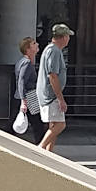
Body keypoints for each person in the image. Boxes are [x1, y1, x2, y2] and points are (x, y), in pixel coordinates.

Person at [37, 24, 74, 152]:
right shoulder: (54, 51)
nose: (69, 39)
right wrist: (60, 98)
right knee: (60, 124)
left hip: (48, 94)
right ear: (63, 37)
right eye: (68, 36)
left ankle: (48, 151)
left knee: (53, 124)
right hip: (51, 95)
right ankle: (41, 147)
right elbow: (52, 75)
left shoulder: (50, 49)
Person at [14, 37, 45, 144]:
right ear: (28, 48)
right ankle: (41, 147)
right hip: (28, 97)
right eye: (34, 43)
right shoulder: (26, 63)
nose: (37, 44)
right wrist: (24, 101)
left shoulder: (23, 62)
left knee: (34, 124)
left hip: (24, 97)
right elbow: (21, 81)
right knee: (38, 125)